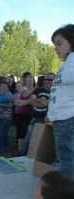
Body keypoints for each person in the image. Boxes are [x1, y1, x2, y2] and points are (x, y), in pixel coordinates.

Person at [47, 24, 74, 180]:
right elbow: (58, 92)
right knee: (65, 159)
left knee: (68, 160)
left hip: (69, 119)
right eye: (54, 45)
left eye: (59, 43)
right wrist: (51, 114)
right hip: (61, 119)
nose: (56, 48)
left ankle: (66, 192)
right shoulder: (66, 65)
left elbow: (69, 78)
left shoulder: (72, 59)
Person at [20, 73, 54, 155]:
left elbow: (54, 104)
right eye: (45, 79)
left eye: (50, 80)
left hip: (46, 121)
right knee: (27, 138)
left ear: (55, 80)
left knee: (40, 142)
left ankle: (35, 158)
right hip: (35, 118)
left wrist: (38, 100)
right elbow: (31, 101)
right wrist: (45, 102)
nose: (47, 81)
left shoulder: (56, 91)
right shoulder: (39, 89)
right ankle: (21, 155)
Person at [14, 76, 35, 155]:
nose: (29, 82)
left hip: (29, 117)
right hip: (20, 116)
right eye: (27, 81)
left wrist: (22, 102)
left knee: (28, 135)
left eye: (30, 81)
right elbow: (16, 102)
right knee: (20, 134)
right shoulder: (23, 91)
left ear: (33, 82)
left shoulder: (35, 91)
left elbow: (32, 102)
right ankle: (20, 150)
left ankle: (27, 152)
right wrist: (26, 102)